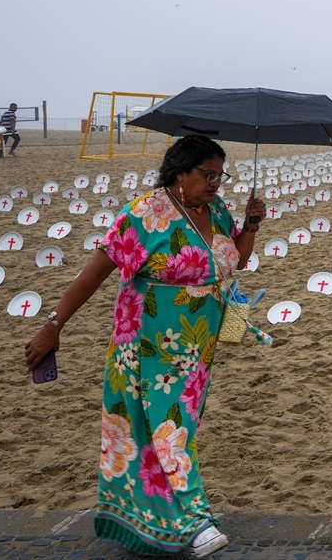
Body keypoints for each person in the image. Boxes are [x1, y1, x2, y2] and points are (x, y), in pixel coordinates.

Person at [24, 135, 264, 557]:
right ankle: (194, 523)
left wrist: (252, 225)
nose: (215, 183)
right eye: (207, 174)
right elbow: (95, 272)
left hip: (196, 347)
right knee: (168, 427)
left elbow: (235, 261)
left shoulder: (218, 210)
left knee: (175, 427)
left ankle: (153, 521)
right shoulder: (144, 213)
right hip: (147, 341)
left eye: (219, 175)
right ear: (179, 172)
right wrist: (53, 325)